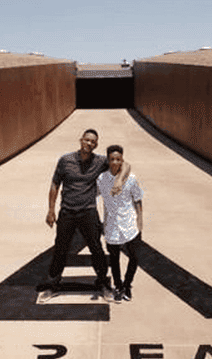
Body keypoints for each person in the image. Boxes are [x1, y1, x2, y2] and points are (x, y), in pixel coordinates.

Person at [39, 129, 130, 302]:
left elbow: (124, 165)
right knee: (60, 248)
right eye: (87, 140)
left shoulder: (100, 161)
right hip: (67, 211)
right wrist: (50, 210)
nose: (89, 143)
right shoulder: (65, 160)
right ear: (81, 140)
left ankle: (103, 283)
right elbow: (55, 184)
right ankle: (53, 285)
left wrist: (118, 180)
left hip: (88, 211)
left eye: (93, 142)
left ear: (96, 145)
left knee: (96, 248)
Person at [96, 145, 143, 302]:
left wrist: (140, 221)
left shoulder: (131, 178)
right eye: (112, 159)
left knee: (134, 257)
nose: (115, 162)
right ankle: (118, 285)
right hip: (111, 225)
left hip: (130, 223)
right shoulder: (102, 179)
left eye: (118, 159)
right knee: (114, 259)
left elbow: (137, 199)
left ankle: (128, 285)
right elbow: (99, 198)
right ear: (108, 161)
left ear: (122, 160)